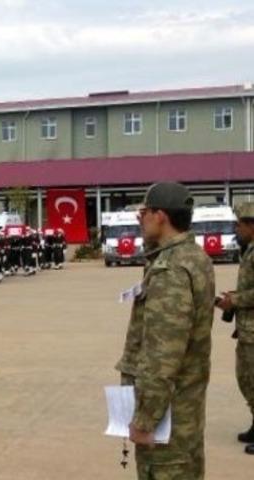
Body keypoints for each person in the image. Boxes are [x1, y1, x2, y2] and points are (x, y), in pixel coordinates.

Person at [115, 182, 214, 479]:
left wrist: (145, 419)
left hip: (167, 420)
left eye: (143, 212)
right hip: (185, 414)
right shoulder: (193, 257)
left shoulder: (170, 270)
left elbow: (162, 355)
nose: (139, 219)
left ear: (160, 216)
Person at [216, 202, 254, 455]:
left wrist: (235, 300)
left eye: (239, 225)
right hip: (248, 329)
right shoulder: (249, 251)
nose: (236, 230)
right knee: (247, 379)